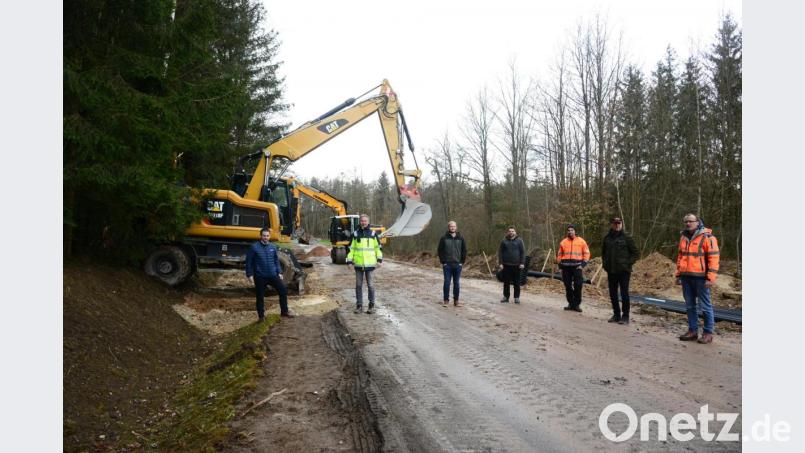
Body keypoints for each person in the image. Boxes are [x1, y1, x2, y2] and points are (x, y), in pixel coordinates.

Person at [676, 214, 720, 344]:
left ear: (697, 222)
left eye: (690, 221)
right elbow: (680, 257)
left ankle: (708, 333)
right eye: (686, 222)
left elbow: (714, 258)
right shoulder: (683, 237)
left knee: (705, 307)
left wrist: (710, 277)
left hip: (701, 278)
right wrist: (678, 274)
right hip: (686, 277)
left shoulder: (708, 237)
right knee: (690, 306)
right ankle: (693, 331)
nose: (688, 224)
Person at [245, 227, 295, 320]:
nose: (266, 237)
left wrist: (279, 272)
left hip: (273, 275)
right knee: (260, 297)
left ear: (269, 236)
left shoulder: (273, 247)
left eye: (267, 236)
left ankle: (284, 312)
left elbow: (276, 261)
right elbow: (249, 262)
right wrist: (249, 275)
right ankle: (261, 316)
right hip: (260, 277)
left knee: (283, 291)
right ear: (261, 236)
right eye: (264, 236)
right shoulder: (254, 247)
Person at [601, 217, 639, 324]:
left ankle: (625, 316)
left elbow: (636, 253)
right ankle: (616, 315)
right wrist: (605, 264)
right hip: (611, 271)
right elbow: (603, 253)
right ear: (612, 224)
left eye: (619, 223)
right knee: (612, 293)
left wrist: (627, 264)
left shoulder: (627, 237)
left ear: (621, 224)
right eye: (615, 223)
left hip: (623, 271)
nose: (617, 225)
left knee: (624, 294)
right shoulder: (607, 238)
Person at [346, 214, 383, 314]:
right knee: (358, 286)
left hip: (370, 265)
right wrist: (349, 261)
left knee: (371, 286)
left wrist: (379, 260)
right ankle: (359, 306)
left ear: (368, 222)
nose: (363, 222)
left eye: (365, 221)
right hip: (358, 265)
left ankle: (371, 306)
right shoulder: (355, 234)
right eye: (362, 221)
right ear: (360, 222)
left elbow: (378, 248)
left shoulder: (372, 234)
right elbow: (351, 249)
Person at [557, 224, 590, 312]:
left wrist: (582, 265)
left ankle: (576, 305)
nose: (570, 232)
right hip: (566, 268)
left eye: (572, 230)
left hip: (577, 267)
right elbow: (559, 255)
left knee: (578, 286)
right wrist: (560, 266)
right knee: (567, 286)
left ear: (575, 231)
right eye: (569, 230)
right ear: (567, 232)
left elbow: (587, 253)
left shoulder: (581, 241)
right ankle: (570, 303)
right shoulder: (563, 242)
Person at [437, 221, 467, 307]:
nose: (452, 228)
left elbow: (464, 250)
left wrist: (462, 262)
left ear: (456, 227)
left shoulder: (461, 238)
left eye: (454, 226)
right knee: (447, 282)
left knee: (456, 283)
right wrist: (443, 262)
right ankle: (446, 300)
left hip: (458, 265)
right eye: (451, 226)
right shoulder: (444, 238)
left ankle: (456, 301)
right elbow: (440, 251)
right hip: (447, 265)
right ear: (448, 228)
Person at [498, 226, 525, 304]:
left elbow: (522, 252)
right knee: (506, 282)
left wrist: (522, 263)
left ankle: (516, 297)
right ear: (508, 232)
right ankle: (506, 297)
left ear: (515, 232)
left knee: (517, 283)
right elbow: (500, 253)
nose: (511, 232)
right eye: (510, 231)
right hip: (506, 265)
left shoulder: (520, 241)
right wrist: (501, 263)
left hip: (517, 266)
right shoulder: (504, 241)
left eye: (512, 231)